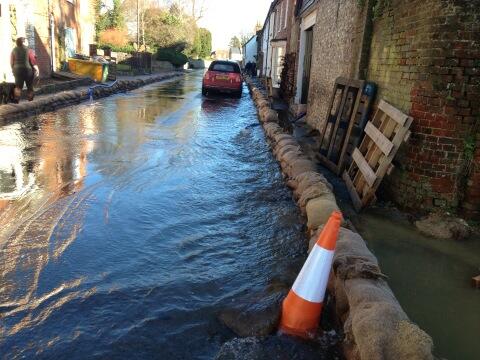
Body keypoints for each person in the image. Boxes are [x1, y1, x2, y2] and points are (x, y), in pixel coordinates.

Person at [10, 37, 39, 102]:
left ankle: (16, 100)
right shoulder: (29, 50)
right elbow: (33, 61)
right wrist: (37, 69)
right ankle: (30, 100)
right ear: (23, 42)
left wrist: (13, 69)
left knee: (18, 87)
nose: (27, 42)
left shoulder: (13, 50)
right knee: (30, 86)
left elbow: (11, 62)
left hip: (17, 71)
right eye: (26, 41)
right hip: (28, 71)